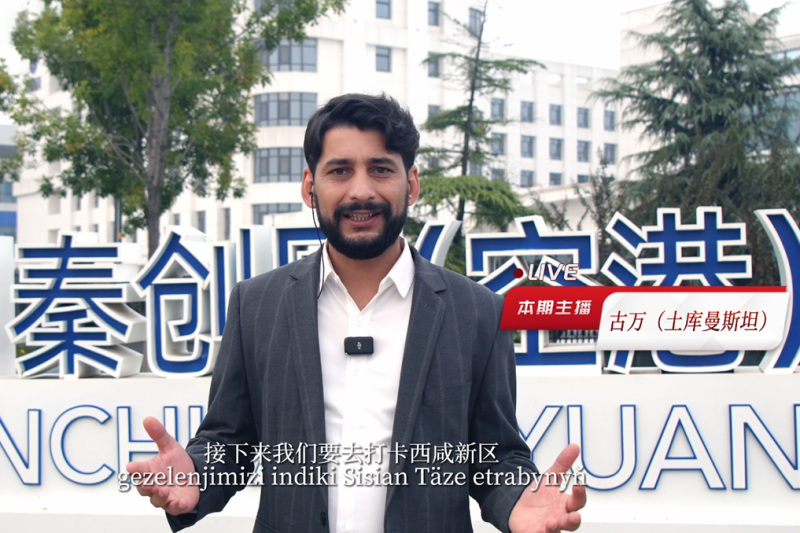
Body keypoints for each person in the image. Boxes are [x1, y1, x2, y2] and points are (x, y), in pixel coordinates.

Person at [127, 93, 586, 533]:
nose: (361, 191)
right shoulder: (258, 304)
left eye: (381, 169)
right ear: (310, 187)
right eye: (340, 171)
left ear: (411, 184)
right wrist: (196, 474)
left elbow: (495, 455)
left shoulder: (478, 312)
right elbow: (230, 441)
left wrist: (516, 500)